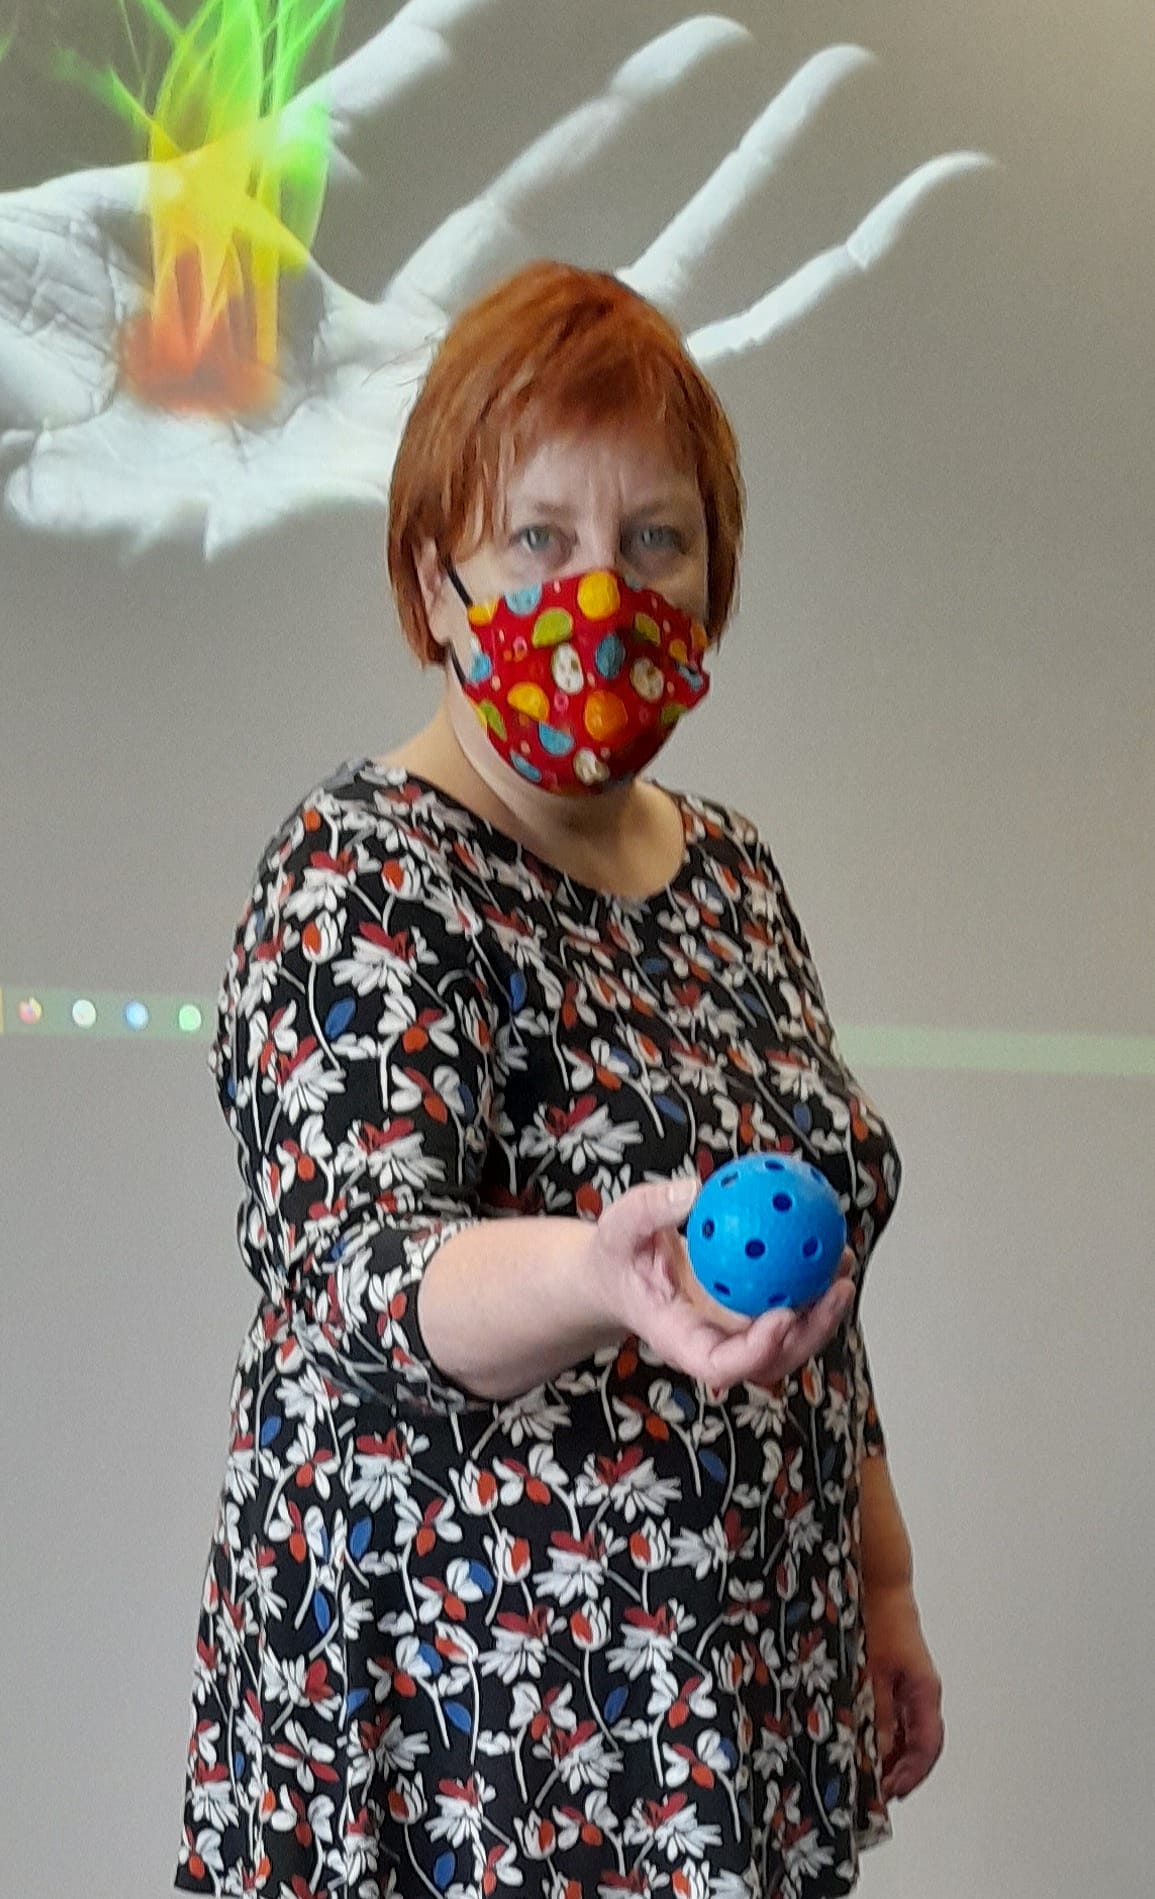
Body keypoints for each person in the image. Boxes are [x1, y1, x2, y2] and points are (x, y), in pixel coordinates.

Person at [176, 259, 944, 1899]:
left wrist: (881, 1581)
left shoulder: (734, 872)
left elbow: (815, 1276)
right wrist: (597, 1274)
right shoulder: (358, 874)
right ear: (435, 576)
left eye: (655, 540)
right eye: (540, 537)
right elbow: (359, 1276)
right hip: (476, 1738)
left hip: (730, 1696)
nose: (602, 592)